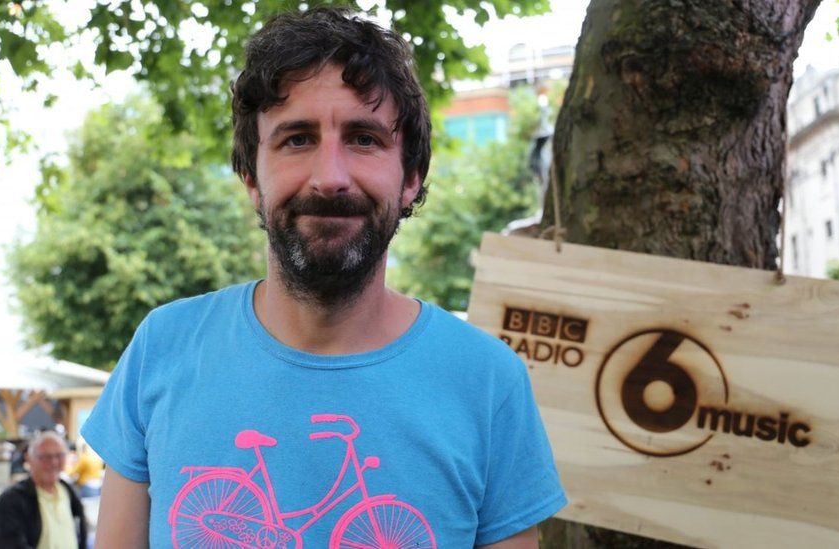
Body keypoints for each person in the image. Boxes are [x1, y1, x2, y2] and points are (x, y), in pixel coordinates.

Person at [82, 7, 566, 548]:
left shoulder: (489, 382)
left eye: (363, 139)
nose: (330, 177)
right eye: (296, 139)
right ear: (250, 178)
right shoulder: (161, 348)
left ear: (410, 179)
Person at [0, 432, 87, 549]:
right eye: (46, 457)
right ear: (29, 459)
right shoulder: (12, 500)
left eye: (59, 455)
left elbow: (81, 533)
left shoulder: (68, 491)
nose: (54, 462)